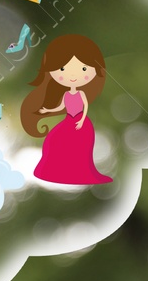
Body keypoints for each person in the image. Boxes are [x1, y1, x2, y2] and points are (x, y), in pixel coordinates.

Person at [21, 32, 113, 186]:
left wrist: (82, 120)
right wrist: (47, 111)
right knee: (53, 140)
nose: (72, 75)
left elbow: (85, 107)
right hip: (69, 120)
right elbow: (61, 106)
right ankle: (57, 171)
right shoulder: (65, 94)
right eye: (63, 69)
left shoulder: (82, 92)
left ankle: (78, 172)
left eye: (83, 69)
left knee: (79, 151)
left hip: (79, 123)